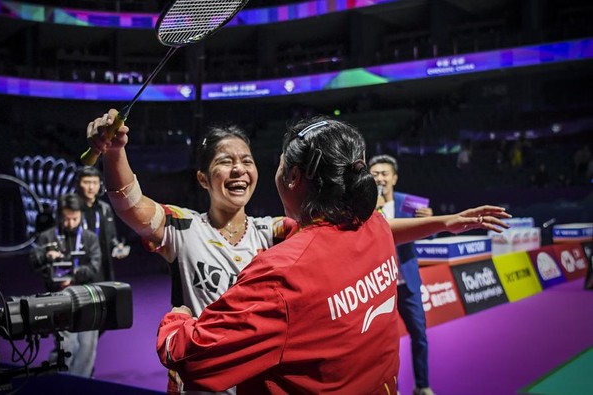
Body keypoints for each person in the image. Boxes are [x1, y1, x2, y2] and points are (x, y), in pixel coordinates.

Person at [86, 109, 511, 394]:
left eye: (248, 160)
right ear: (202, 178)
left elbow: (363, 231)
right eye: (225, 161)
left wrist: (447, 222)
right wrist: (116, 151)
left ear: (282, 176)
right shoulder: (184, 227)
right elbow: (130, 204)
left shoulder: (274, 234)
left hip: (241, 368)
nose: (239, 169)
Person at [156, 117, 400, 393]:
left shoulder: (281, 272)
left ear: (293, 177)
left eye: (280, 163)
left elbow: (191, 359)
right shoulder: (377, 226)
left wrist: (177, 320)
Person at [369, 154, 434, 395]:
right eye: (374, 174)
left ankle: (422, 386)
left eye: (384, 173)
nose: (380, 178)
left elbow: (429, 234)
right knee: (380, 343)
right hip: (378, 286)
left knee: (419, 336)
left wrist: (429, 222)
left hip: (407, 284)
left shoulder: (409, 203)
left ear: (394, 178)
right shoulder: (364, 205)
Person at [31, 193, 102, 378]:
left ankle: (82, 385)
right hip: (58, 298)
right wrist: (46, 255)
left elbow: (95, 266)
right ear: (59, 216)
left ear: (81, 215)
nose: (70, 223)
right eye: (66, 218)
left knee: (87, 347)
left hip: (86, 296)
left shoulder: (90, 238)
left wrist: (74, 275)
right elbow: (33, 261)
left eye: (75, 218)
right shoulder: (48, 237)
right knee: (66, 346)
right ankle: (59, 382)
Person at [74, 166, 130, 282]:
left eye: (95, 182)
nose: (91, 187)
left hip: (102, 264)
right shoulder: (71, 209)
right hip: (79, 264)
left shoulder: (104, 209)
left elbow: (112, 237)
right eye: (86, 182)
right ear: (78, 184)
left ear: (100, 185)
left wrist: (117, 247)